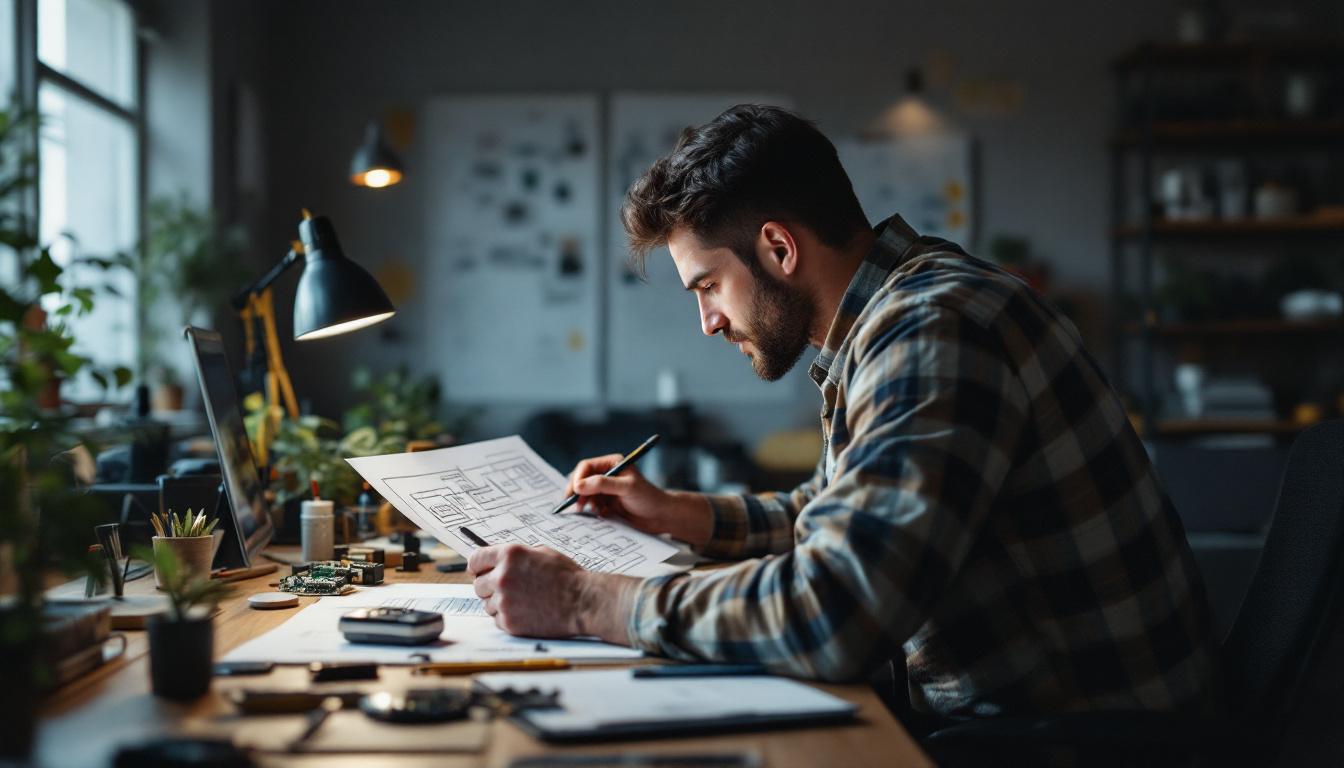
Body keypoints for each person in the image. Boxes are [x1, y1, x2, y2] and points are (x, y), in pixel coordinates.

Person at [468, 104, 1219, 722]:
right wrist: (674, 514)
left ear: (777, 248)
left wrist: (581, 598)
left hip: (1079, 740)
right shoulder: (894, 316)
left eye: (707, 287)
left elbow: (835, 610)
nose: (707, 322)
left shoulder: (934, 330)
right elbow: (838, 511)